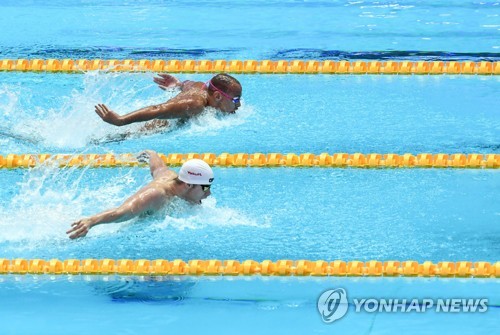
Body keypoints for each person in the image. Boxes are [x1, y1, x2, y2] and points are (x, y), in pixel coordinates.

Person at [66, 150, 214, 239]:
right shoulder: (156, 194)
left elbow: (158, 167)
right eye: (206, 187)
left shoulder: (170, 176)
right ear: (188, 184)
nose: (208, 194)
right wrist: (91, 221)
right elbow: (122, 212)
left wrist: (151, 154)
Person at [95, 73, 242, 131]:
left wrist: (178, 85)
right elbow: (158, 109)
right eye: (235, 100)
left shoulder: (200, 86)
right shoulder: (195, 105)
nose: (239, 105)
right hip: (146, 130)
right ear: (217, 96)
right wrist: (121, 120)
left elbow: (188, 84)